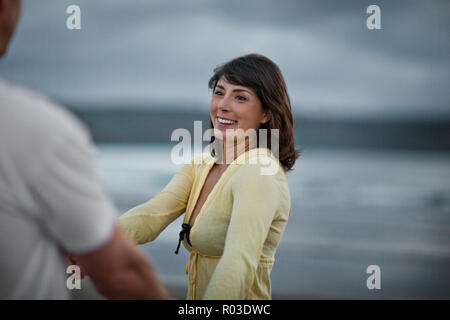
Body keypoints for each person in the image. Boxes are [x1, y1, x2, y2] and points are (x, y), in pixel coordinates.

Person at [0, 0, 170, 299]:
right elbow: (123, 276)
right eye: (220, 92)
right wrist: (96, 244)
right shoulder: (38, 131)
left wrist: (94, 241)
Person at [119, 53, 299, 299]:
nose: (223, 105)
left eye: (240, 97)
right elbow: (151, 216)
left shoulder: (259, 170)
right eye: (219, 92)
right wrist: (92, 245)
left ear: (266, 113)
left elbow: (238, 261)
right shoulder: (202, 165)